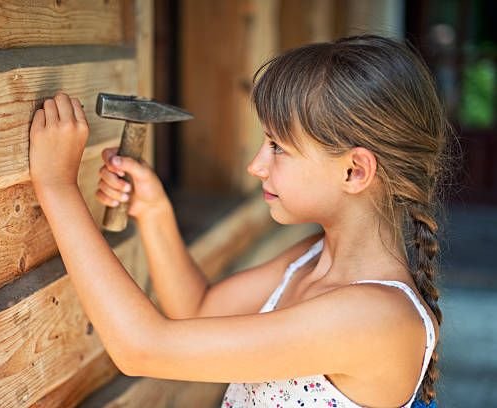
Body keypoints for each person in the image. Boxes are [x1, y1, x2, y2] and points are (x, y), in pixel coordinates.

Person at [29, 35, 452, 407]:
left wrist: (56, 185)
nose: (256, 165)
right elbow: (196, 311)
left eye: (277, 147)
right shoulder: (312, 258)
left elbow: (142, 348)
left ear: (354, 171)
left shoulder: (375, 318)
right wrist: (155, 211)